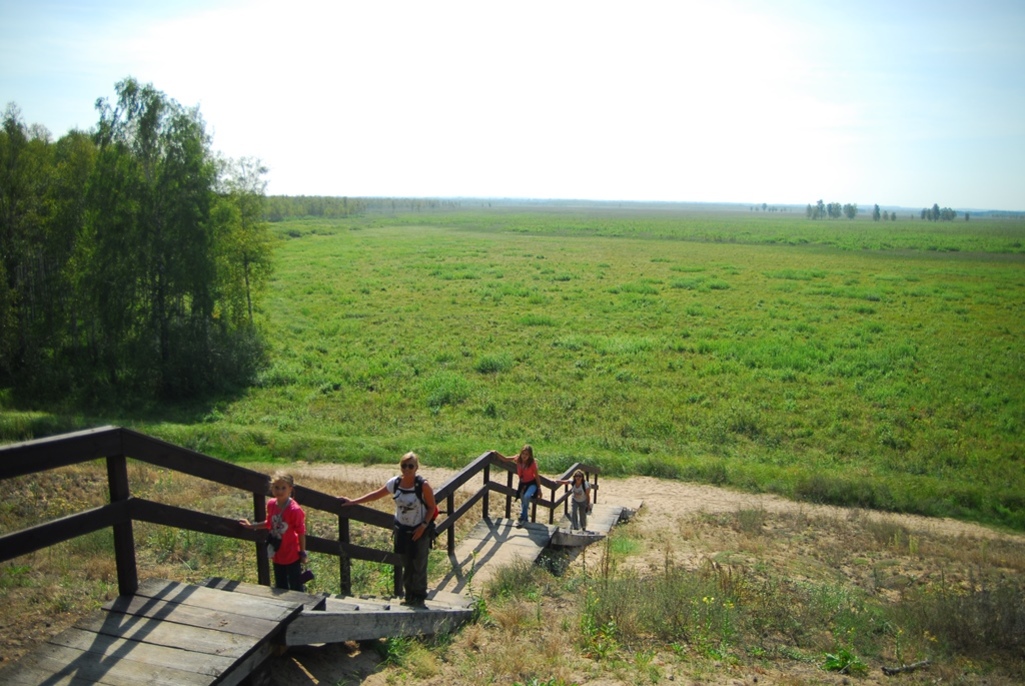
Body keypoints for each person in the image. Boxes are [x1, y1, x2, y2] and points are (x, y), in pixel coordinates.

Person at [338, 452, 437, 606]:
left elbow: (432, 507)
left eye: (410, 466)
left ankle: (419, 598)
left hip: (420, 530)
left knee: (419, 564)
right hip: (402, 530)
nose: (407, 469)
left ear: (416, 467)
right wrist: (353, 502)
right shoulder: (395, 483)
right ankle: (409, 596)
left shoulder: (423, 486)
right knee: (406, 563)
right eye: (404, 465)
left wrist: (423, 526)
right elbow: (375, 495)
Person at [239, 471, 308, 592]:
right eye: (276, 487)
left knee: (296, 586)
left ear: (290, 489)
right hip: (277, 551)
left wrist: (302, 553)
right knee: (280, 585)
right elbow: (269, 523)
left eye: (283, 488)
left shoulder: (294, 510)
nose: (279, 491)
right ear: (272, 487)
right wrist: (252, 526)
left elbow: (301, 532)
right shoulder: (271, 504)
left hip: (292, 553)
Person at [490, 444, 542, 527]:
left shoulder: (532, 463)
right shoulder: (518, 459)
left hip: (532, 483)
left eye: (527, 454)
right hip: (523, 483)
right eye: (523, 453)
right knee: (523, 500)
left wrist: (539, 489)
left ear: (530, 455)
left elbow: (537, 476)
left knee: (527, 496)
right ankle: (525, 519)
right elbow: (505, 459)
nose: (524, 456)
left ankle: (522, 517)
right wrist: (496, 453)